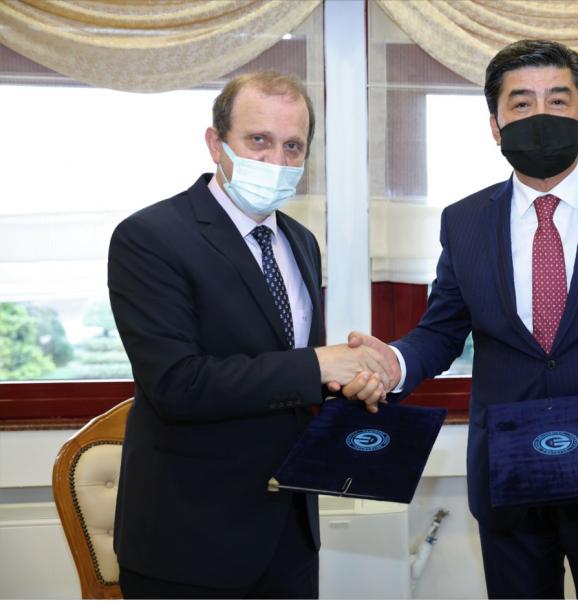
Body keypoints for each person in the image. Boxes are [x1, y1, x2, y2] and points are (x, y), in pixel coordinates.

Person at [344, 40, 578, 599]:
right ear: (495, 126)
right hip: (508, 479)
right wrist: (394, 363)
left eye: (557, 101)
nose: (540, 116)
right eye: (521, 103)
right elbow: (443, 329)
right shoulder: (464, 220)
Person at [107, 71, 390, 599]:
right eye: (259, 140)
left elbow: (291, 373)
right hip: (190, 540)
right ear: (216, 143)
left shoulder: (301, 241)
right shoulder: (150, 237)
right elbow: (176, 385)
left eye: (292, 146)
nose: (276, 160)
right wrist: (320, 365)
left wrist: (352, 382)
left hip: (291, 532)